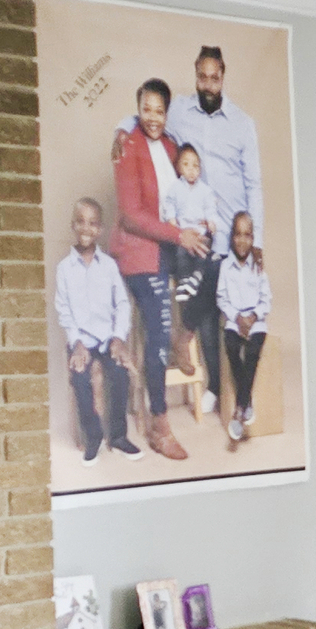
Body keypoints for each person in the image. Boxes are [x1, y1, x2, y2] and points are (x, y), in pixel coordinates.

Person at [165, 45, 262, 411]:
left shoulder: (242, 123)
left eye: (215, 77)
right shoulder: (177, 111)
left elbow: (254, 185)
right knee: (208, 314)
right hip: (199, 233)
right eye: (202, 77)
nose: (208, 84)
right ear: (196, 74)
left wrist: (258, 242)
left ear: (223, 76)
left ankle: (187, 336)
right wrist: (121, 129)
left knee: (229, 311)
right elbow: (148, 122)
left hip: (233, 236)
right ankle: (216, 390)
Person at [104, 79, 196, 461]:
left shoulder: (172, 146)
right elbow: (130, 216)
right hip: (140, 251)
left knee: (212, 262)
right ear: (137, 109)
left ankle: (184, 334)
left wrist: (194, 230)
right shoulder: (128, 144)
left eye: (159, 110)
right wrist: (178, 234)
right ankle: (159, 423)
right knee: (157, 324)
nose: (152, 118)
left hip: (167, 246)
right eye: (146, 109)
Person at [51, 198, 135, 463]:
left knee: (120, 373)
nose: (86, 228)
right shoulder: (64, 269)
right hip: (81, 341)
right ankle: (93, 436)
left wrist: (118, 338)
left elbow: (121, 303)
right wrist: (76, 343)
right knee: (79, 377)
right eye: (81, 222)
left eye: (93, 223)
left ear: (99, 229)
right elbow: (64, 310)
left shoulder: (109, 266)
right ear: (74, 225)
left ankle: (119, 437)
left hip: (108, 338)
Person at [160, 139, 220, 408]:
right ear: (179, 168)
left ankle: (185, 327)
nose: (192, 170)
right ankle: (188, 280)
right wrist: (175, 227)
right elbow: (169, 209)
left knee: (207, 258)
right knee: (186, 255)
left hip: (201, 234)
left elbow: (211, 210)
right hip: (183, 237)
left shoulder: (205, 191)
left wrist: (211, 224)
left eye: (196, 166)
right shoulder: (175, 189)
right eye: (187, 165)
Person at [215, 210, 272, 445]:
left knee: (251, 353)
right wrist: (237, 317)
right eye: (237, 235)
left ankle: (239, 410)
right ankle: (246, 401)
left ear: (253, 238)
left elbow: (266, 299)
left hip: (256, 322)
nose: (242, 240)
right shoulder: (226, 267)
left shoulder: (257, 265)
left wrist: (253, 317)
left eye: (247, 235)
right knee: (231, 347)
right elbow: (221, 297)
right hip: (234, 320)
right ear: (231, 237)